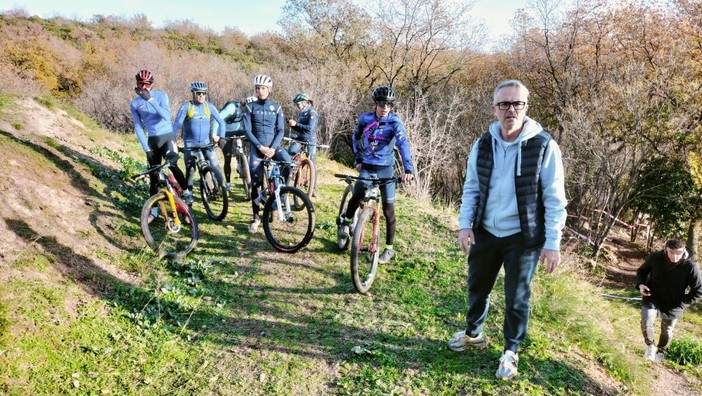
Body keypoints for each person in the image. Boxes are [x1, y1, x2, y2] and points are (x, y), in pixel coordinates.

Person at [447, 79, 567, 381]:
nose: (510, 109)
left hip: (524, 236)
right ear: (494, 108)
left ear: (526, 107)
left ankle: (511, 350)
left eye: (517, 103)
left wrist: (552, 242)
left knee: (516, 297)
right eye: (504, 104)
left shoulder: (544, 145)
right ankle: (474, 333)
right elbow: (471, 187)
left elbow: (554, 197)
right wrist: (465, 225)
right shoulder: (483, 144)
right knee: (478, 287)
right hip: (486, 231)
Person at [337, 85, 414, 264]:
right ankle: (347, 221)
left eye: (389, 104)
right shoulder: (365, 119)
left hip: (386, 169)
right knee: (358, 192)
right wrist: (357, 159)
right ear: (375, 103)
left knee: (389, 211)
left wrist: (408, 169)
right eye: (381, 103)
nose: (385, 106)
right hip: (368, 166)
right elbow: (355, 137)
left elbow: (403, 145)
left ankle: (389, 249)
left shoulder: (395, 122)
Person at [129, 69, 188, 217]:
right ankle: (153, 212)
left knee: (173, 165)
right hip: (152, 141)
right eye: (141, 84)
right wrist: (146, 148)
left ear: (151, 84)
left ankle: (187, 194)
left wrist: (150, 100)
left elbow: (166, 116)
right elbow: (138, 127)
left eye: (147, 84)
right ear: (136, 84)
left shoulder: (161, 96)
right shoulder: (135, 104)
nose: (144, 87)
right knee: (153, 176)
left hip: (167, 138)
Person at [636, 238, 702, 362]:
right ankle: (650, 346)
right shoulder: (654, 258)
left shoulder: (691, 266)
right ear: (666, 249)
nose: (675, 257)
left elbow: (699, 291)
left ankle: (662, 351)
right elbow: (641, 272)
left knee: (667, 330)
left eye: (679, 253)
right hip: (652, 296)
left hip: (674, 303)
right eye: (672, 253)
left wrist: (682, 302)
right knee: (646, 322)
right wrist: (641, 285)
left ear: (683, 251)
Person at [243, 74, 292, 233]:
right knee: (255, 181)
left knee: (287, 162)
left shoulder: (276, 107)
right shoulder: (250, 107)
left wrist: (272, 148)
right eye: (258, 88)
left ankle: (283, 193)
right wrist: (260, 147)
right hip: (257, 149)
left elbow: (280, 130)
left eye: (263, 88)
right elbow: (247, 130)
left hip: (273, 147)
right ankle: (256, 218)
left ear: (269, 90)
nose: (260, 91)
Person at [172, 81, 227, 204]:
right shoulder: (187, 107)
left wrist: (221, 137)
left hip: (206, 143)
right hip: (190, 145)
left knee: (215, 163)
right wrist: (172, 141)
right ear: (193, 93)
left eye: (204, 93)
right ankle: (189, 195)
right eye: (198, 93)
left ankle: (221, 188)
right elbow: (176, 124)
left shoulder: (209, 106)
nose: (201, 96)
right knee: (190, 170)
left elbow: (221, 122)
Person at [287, 92, 319, 196]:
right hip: (300, 138)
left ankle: (312, 188)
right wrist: (293, 125)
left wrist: (297, 124)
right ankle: (289, 175)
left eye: (298, 104)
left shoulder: (312, 113)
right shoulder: (302, 113)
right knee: (290, 153)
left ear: (304, 103)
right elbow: (299, 128)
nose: (297, 107)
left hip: (310, 140)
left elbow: (310, 129)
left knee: (312, 164)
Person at [214, 97, 247, 191]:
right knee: (227, 157)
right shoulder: (232, 108)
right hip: (225, 133)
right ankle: (228, 182)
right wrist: (215, 134)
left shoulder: (249, 110)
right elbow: (218, 119)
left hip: (237, 130)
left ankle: (242, 160)